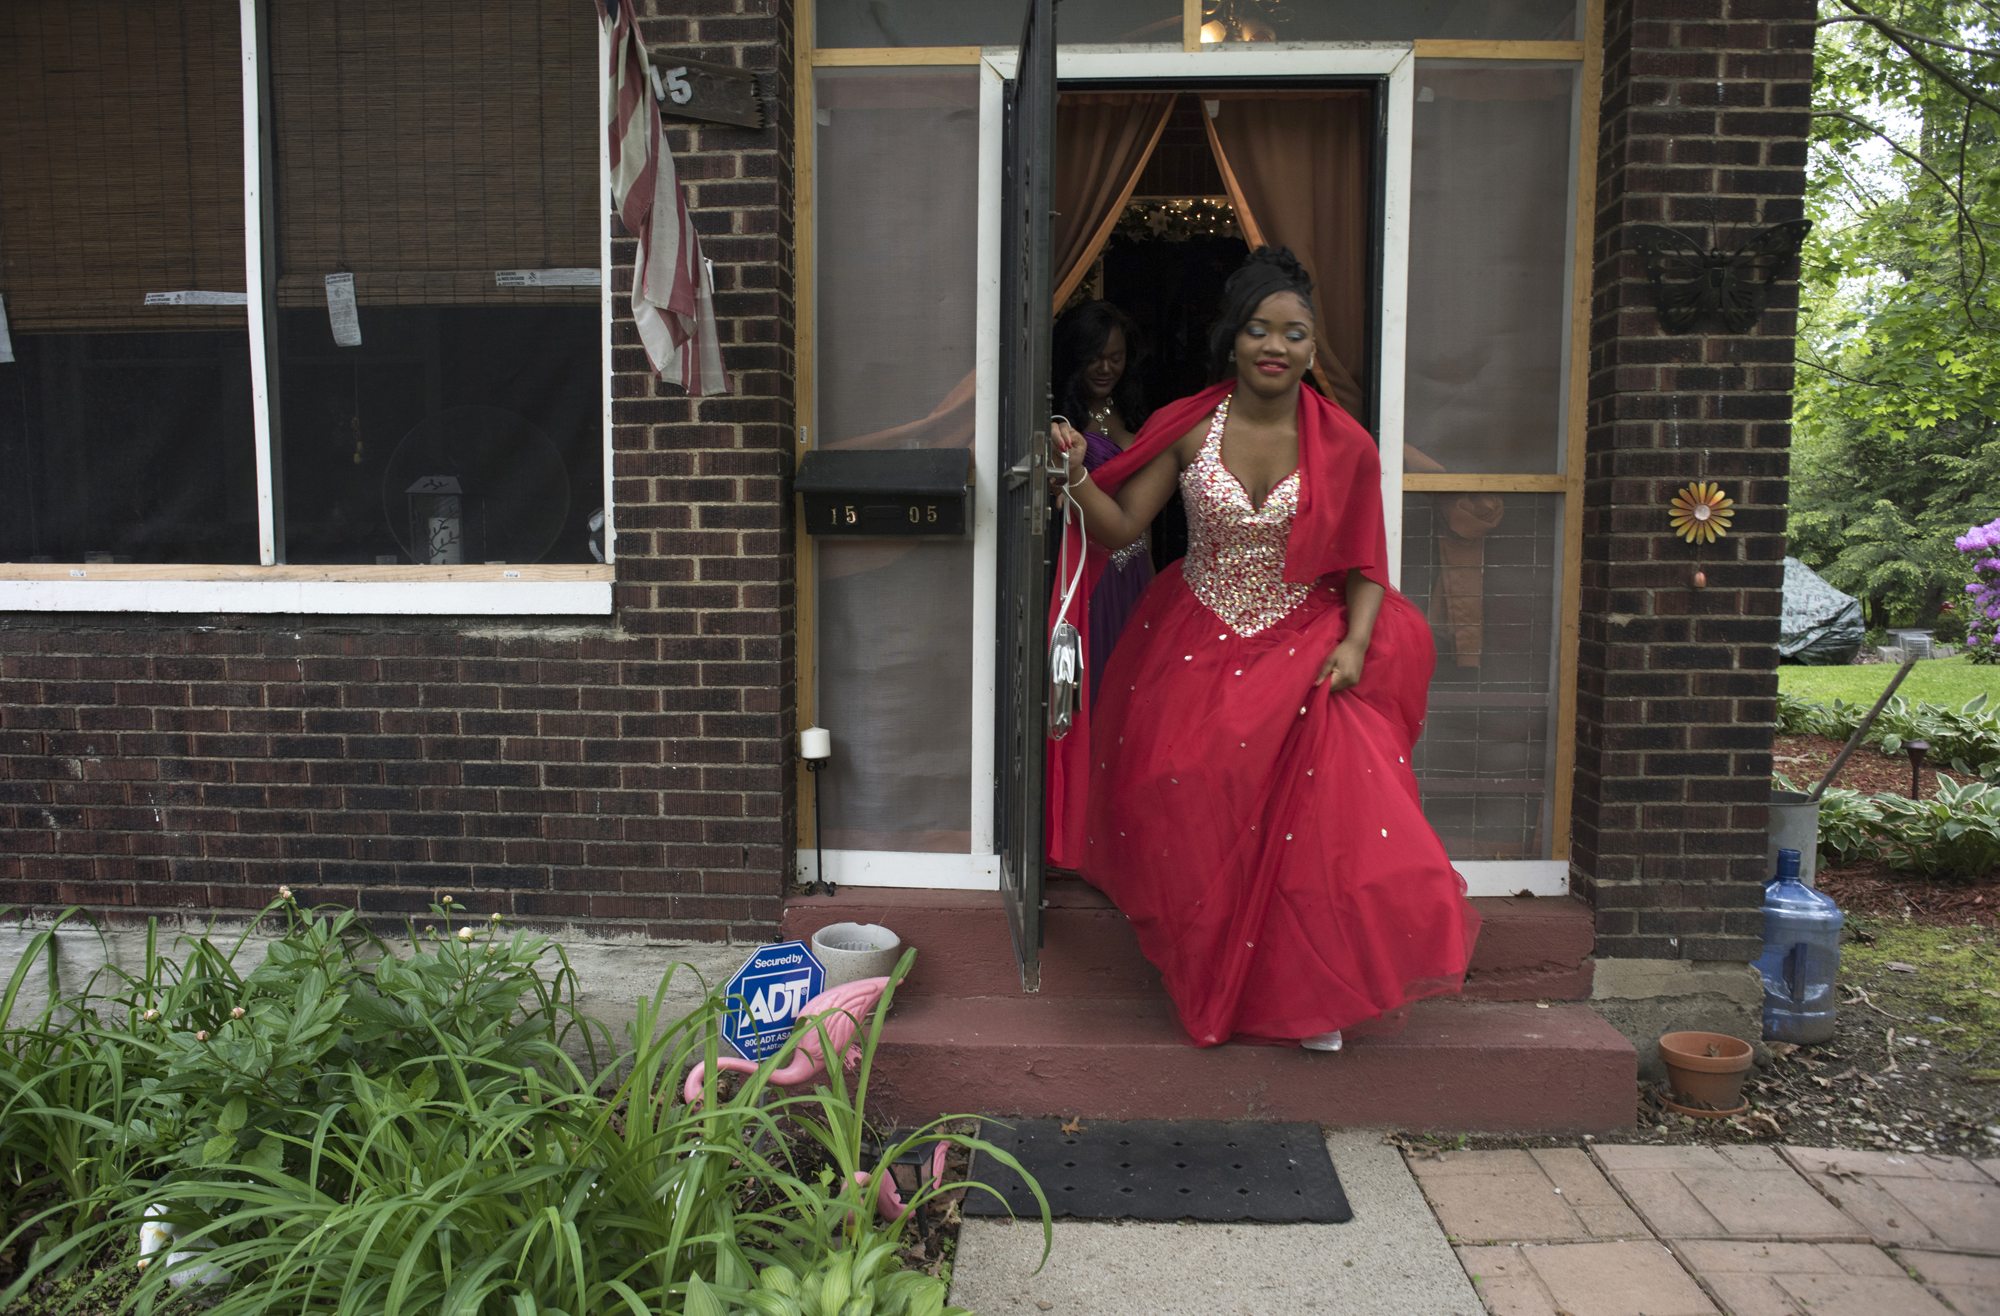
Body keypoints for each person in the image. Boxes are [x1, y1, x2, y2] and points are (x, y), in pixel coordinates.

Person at [1045, 248, 1481, 1051]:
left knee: (1322, 821)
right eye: (1259, 330)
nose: (1275, 347)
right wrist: (1074, 478)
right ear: (1233, 339)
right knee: (1184, 788)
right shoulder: (1187, 425)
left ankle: (1312, 998)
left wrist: (1354, 645)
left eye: (1294, 334)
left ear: (1314, 350)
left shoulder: (1345, 444)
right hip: (1195, 633)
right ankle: (1213, 970)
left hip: (1306, 637)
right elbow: (1118, 528)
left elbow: (1365, 564)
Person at [1051, 301, 1155, 704]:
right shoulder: (1059, 422)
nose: (1105, 368)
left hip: (1134, 570)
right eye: (1093, 358)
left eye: (1115, 358)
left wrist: (1153, 578)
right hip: (1087, 572)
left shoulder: (1133, 415)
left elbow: (1139, 518)